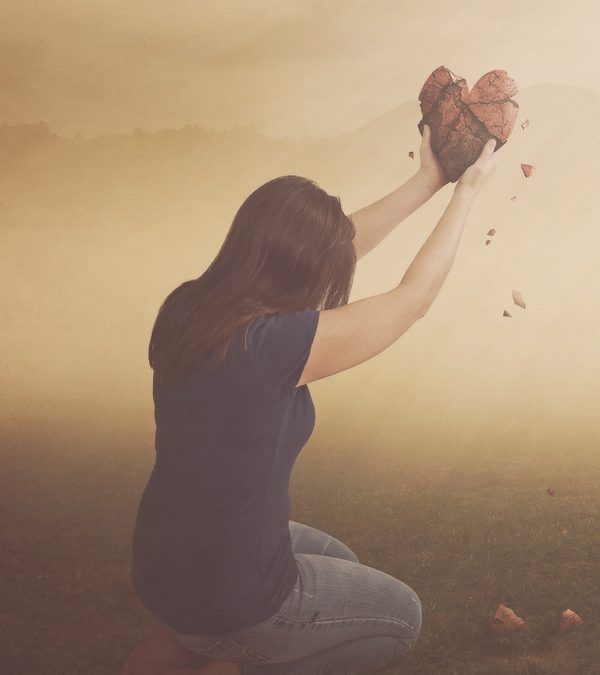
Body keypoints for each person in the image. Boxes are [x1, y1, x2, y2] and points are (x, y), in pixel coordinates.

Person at [121, 125, 504, 675]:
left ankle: (193, 643)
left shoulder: (188, 308)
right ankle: (231, 653)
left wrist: (429, 181)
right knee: (401, 616)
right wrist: (466, 193)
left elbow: (334, 249)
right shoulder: (270, 346)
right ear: (295, 263)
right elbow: (411, 300)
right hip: (226, 591)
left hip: (163, 561)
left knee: (340, 563)